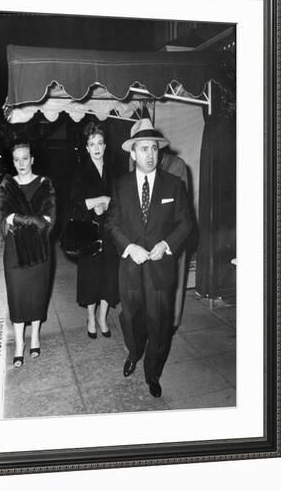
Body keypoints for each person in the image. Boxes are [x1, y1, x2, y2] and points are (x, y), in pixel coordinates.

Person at [105, 118, 192, 397]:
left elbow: (186, 224)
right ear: (133, 153)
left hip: (160, 269)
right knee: (130, 318)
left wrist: (166, 244)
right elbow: (111, 224)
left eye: (154, 149)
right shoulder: (120, 185)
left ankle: (152, 372)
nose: (150, 155)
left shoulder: (174, 184)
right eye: (143, 149)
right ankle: (134, 352)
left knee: (159, 323)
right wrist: (130, 247)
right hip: (130, 266)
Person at [0, 141, 56, 367]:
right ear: (13, 162)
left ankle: (35, 338)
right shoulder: (6, 187)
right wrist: (18, 220)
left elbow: (50, 218)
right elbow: (3, 218)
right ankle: (19, 344)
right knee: (18, 298)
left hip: (39, 253)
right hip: (15, 254)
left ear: (32, 159)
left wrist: (21, 219)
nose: (21, 163)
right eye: (16, 159)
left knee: (38, 296)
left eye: (25, 158)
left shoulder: (44, 184)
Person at [70, 122, 119, 339]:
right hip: (89, 233)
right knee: (90, 277)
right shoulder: (81, 171)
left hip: (110, 232)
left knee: (109, 276)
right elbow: (77, 203)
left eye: (100, 142)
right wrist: (101, 200)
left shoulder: (114, 169)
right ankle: (91, 317)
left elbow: (120, 201)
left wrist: (108, 204)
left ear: (105, 145)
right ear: (87, 148)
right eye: (92, 144)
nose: (97, 147)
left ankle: (102, 317)